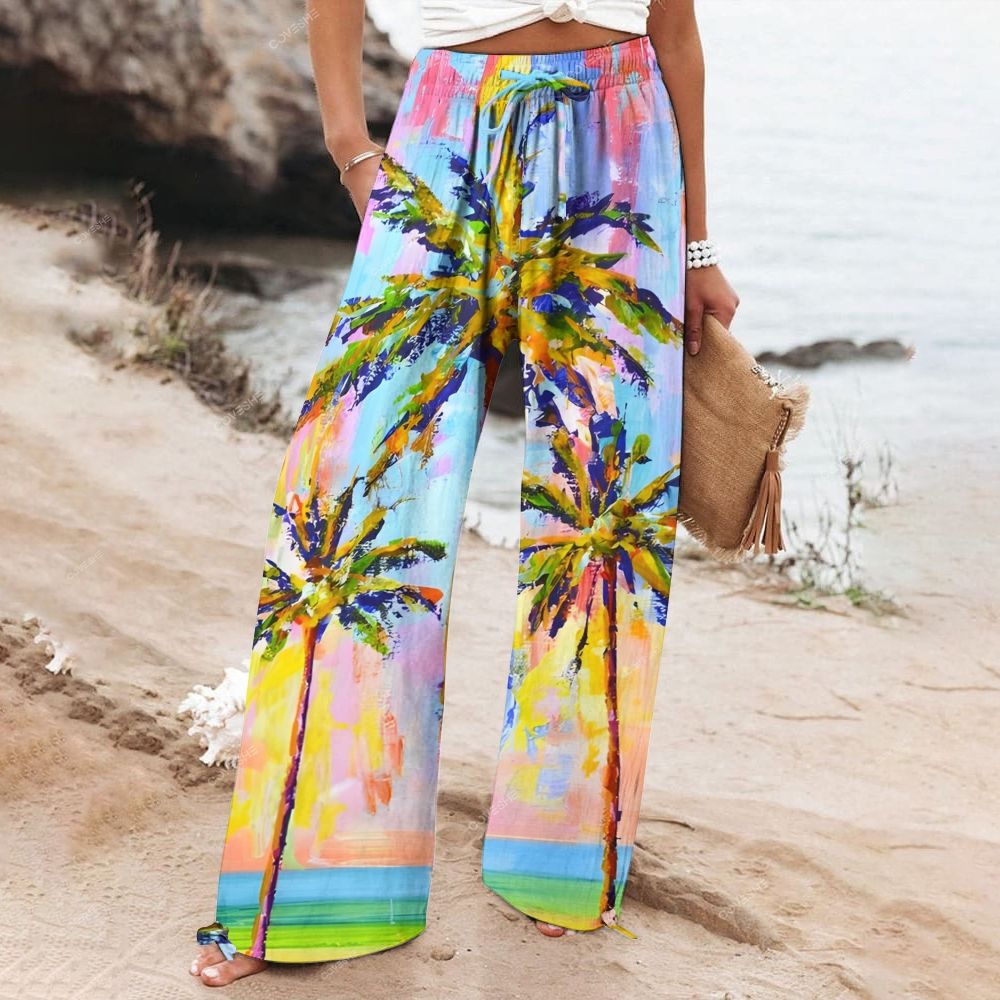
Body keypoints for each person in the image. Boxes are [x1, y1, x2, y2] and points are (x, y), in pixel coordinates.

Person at [190, 0, 739, 987]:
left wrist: (699, 249)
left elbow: (678, 33)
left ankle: (558, 864)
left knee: (600, 509)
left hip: (623, 136)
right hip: (446, 128)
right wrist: (351, 149)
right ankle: (315, 885)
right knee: (356, 491)